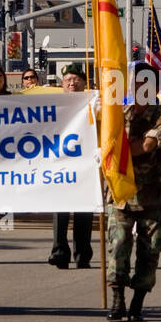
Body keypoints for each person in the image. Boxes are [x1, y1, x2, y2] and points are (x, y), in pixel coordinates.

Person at [105, 64, 161, 322]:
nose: (138, 88)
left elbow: (145, 146)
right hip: (121, 194)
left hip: (151, 196)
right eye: (135, 83)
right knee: (119, 245)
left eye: (145, 84)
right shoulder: (118, 115)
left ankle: (138, 302)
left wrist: (118, 146)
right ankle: (117, 299)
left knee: (150, 250)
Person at [49, 64, 95, 269]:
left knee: (84, 211)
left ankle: (82, 253)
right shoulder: (54, 106)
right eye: (67, 79)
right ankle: (59, 251)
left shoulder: (93, 104)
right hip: (61, 165)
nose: (72, 83)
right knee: (60, 210)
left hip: (85, 165)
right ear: (62, 84)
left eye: (76, 79)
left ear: (84, 83)